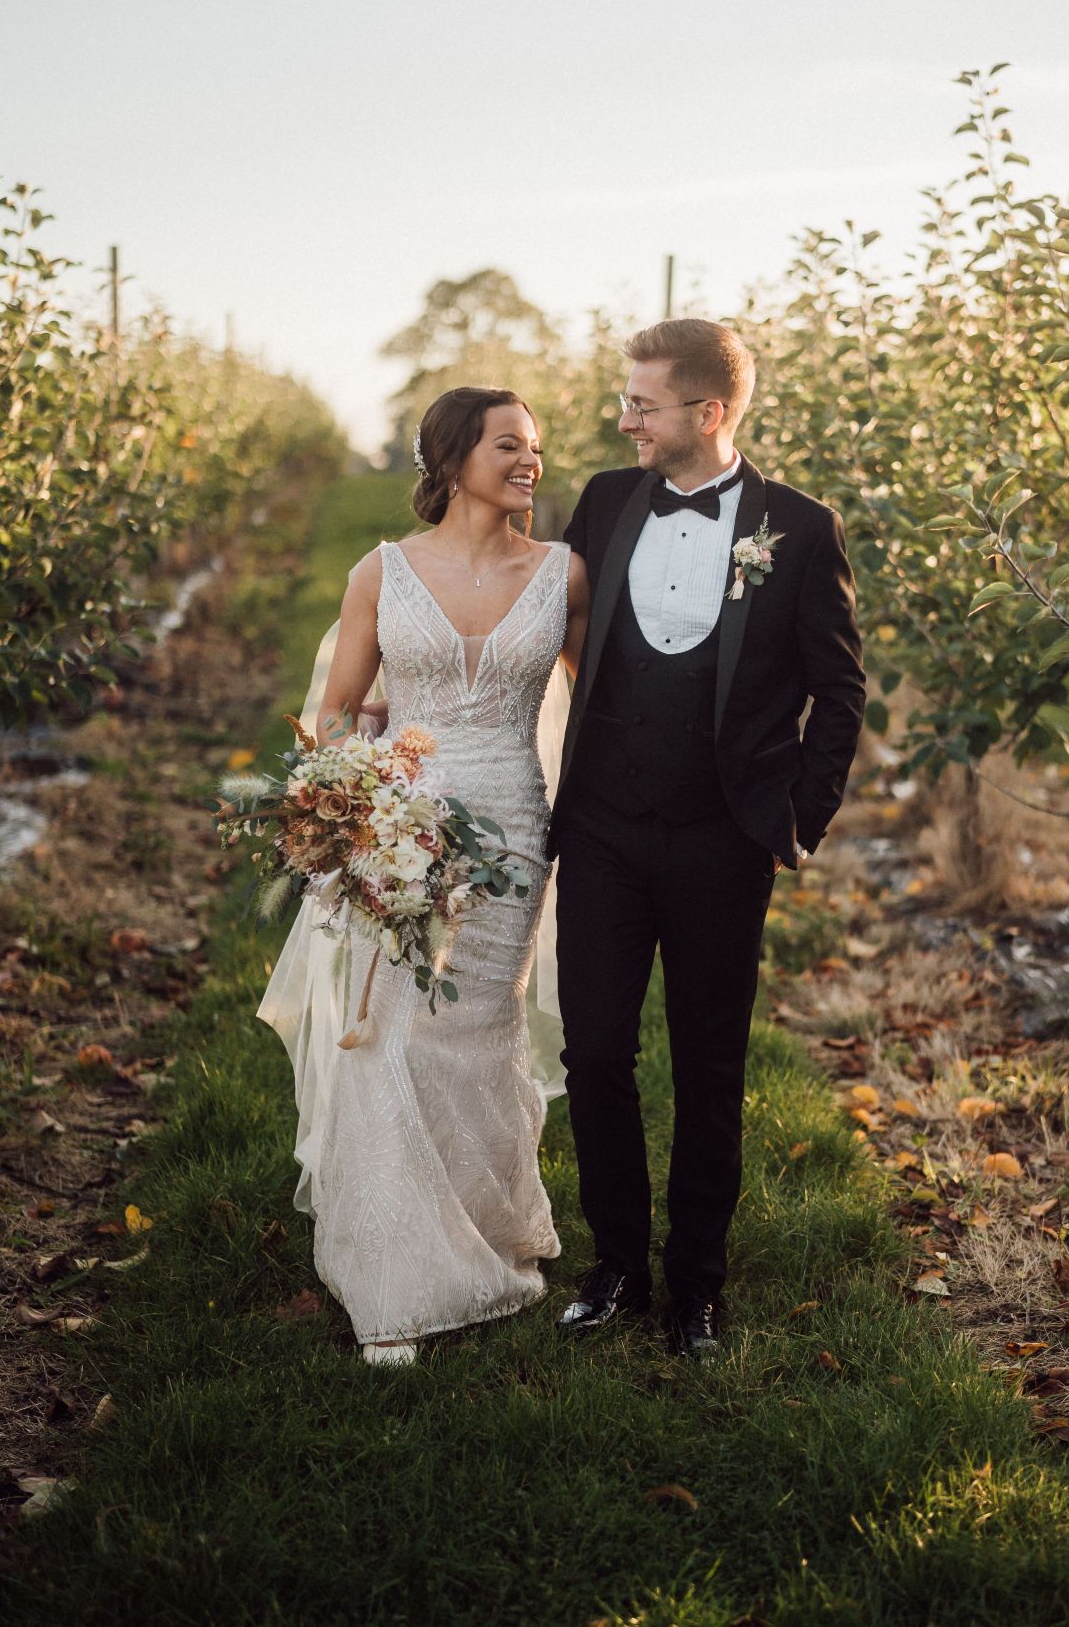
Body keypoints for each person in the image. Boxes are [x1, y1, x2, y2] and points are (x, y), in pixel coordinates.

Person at [550, 319, 865, 1359]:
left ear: (708, 412)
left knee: (708, 1064)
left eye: (642, 403)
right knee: (595, 1050)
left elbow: (840, 689)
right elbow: (543, 622)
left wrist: (793, 820)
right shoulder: (602, 500)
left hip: (725, 839)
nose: (624, 418)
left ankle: (698, 1289)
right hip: (601, 826)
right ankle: (618, 1267)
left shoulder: (801, 529)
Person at [257, 387, 589, 1366]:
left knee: (477, 1034)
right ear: (450, 460)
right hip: (399, 826)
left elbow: (610, 709)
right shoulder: (382, 573)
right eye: (508, 446)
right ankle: (393, 1279)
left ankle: (485, 1231)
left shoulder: (566, 575)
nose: (529, 461)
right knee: (382, 1040)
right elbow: (338, 714)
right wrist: (356, 810)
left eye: (535, 447)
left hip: (517, 831)